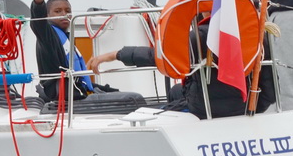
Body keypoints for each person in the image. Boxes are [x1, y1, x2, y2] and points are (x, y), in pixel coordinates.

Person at [87, 22, 275, 118]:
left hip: (204, 110)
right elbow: (269, 91)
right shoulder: (257, 37)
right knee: (176, 91)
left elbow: (162, 57)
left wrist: (116, 55)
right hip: (243, 106)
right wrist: (252, 110)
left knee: (152, 109)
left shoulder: (201, 37)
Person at [30, 0, 115, 104]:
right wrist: (39, 1)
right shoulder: (48, 36)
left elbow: (77, 77)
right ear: (47, 15)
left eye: (68, 11)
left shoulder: (67, 38)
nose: (64, 14)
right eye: (58, 11)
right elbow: (38, 23)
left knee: (122, 95)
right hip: (62, 96)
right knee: (129, 98)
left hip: (77, 91)